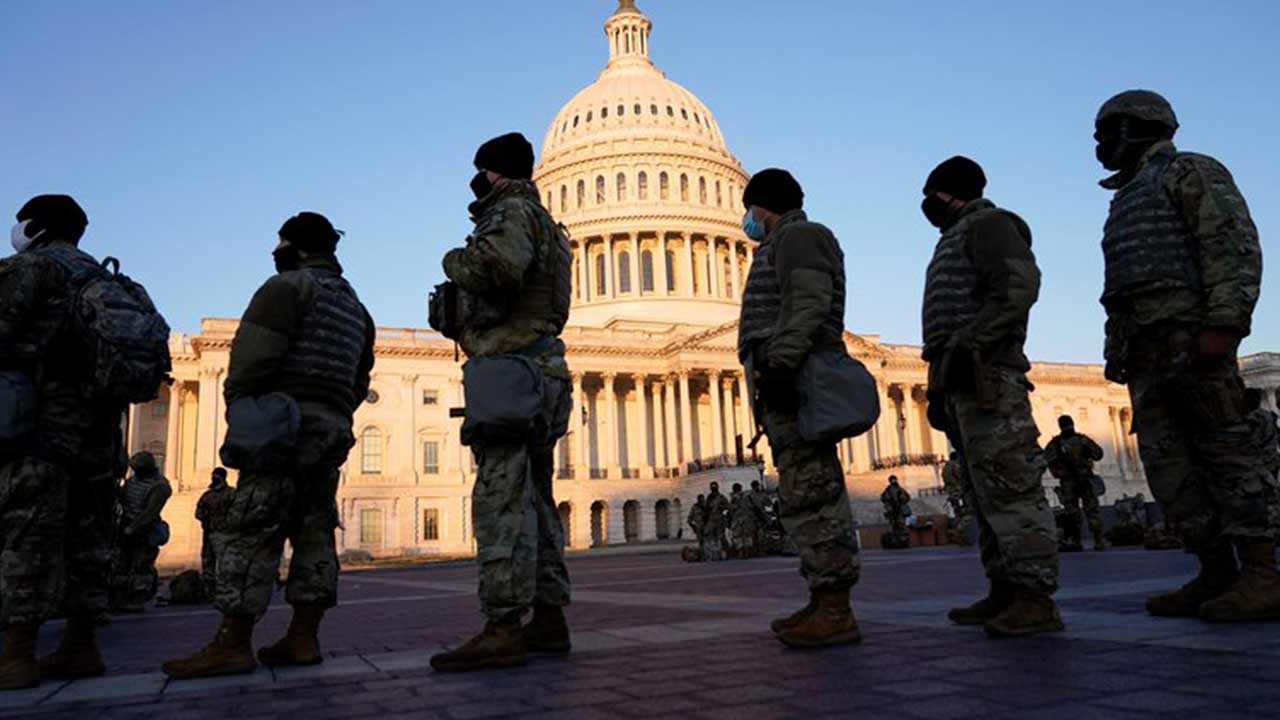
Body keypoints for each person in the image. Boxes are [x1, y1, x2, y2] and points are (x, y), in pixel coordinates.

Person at [163, 211, 376, 678]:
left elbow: (251, 360)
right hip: (331, 428)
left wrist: (245, 411)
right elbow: (359, 380)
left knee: (253, 529)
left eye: (280, 243)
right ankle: (304, 637)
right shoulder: (357, 309)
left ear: (294, 247)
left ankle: (233, 642)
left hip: (283, 424)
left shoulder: (286, 288)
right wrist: (333, 413)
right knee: (315, 532)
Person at [1093, 90, 1277, 622]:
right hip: (1146, 347)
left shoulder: (1188, 171)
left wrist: (1224, 323)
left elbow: (1230, 245)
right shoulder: (1128, 195)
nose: (1100, 144)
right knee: (1170, 466)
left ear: (1137, 128)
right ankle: (1216, 570)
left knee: (1229, 456)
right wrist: (1116, 345)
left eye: (1107, 131)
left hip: (1192, 340)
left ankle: (1264, 572)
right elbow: (1122, 285)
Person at [428, 133, 574, 672]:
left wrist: (453, 261)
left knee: (501, 503)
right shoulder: (549, 226)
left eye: (480, 172)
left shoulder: (511, 213)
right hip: (542, 371)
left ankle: (503, 625)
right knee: (535, 501)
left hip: (511, 371)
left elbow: (498, 268)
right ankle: (550, 618)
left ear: (494, 174)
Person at [1, 195, 144, 689]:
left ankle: (16, 654)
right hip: (100, 433)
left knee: (26, 533)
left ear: (36, 227)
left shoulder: (29, 269)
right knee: (90, 539)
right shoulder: (111, 281)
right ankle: (81, 646)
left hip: (37, 424)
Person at [919, 156, 1062, 637]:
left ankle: (1035, 596)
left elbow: (1020, 287)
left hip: (988, 373)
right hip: (958, 376)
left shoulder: (991, 224)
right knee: (983, 492)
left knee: (1010, 485)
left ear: (950, 192)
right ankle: (1004, 588)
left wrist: (974, 342)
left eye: (931, 194)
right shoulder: (955, 236)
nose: (926, 204)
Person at [736, 168, 861, 647]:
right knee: (803, 494)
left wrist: (783, 365)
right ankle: (821, 599)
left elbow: (809, 304)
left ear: (761, 207)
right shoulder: (783, 242)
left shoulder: (801, 237)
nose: (748, 221)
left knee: (815, 493)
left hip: (798, 379)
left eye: (750, 211)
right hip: (787, 381)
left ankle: (835, 607)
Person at [109, 452, 173, 612]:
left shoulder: (159, 485)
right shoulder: (134, 480)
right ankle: (119, 598)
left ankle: (136, 600)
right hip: (126, 524)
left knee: (141, 567)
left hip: (144, 529)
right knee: (121, 565)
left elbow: (150, 512)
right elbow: (124, 497)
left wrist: (132, 529)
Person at [1044, 415, 1106, 552]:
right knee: (1092, 511)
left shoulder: (1055, 444)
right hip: (1085, 479)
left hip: (1068, 483)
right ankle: (1098, 541)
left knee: (1072, 513)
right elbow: (1099, 454)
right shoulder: (1083, 440)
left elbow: (1047, 460)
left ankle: (1076, 541)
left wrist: (1058, 472)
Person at [195, 468, 234, 601]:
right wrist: (205, 518)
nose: (215, 478)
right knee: (208, 562)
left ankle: (226, 591)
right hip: (209, 533)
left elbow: (237, 512)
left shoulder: (231, 494)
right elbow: (198, 512)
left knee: (226, 563)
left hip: (225, 535)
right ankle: (209, 591)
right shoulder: (207, 495)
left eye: (217, 476)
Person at [702, 482, 731, 562]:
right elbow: (706, 509)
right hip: (711, 519)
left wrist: (722, 509)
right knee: (708, 534)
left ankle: (728, 552)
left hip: (719, 519)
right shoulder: (709, 498)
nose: (713, 489)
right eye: (712, 487)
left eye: (714, 487)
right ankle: (712, 552)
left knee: (721, 536)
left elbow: (728, 507)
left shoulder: (721, 497)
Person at [729, 482, 759, 558]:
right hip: (747, 518)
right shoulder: (747, 496)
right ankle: (748, 551)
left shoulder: (733, 498)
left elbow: (731, 510)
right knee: (747, 535)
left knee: (738, 536)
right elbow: (753, 506)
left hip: (737, 520)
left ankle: (741, 552)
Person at [880, 476, 913, 541]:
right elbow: (883, 498)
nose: (894, 481)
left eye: (895, 480)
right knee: (893, 524)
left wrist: (902, 500)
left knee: (901, 523)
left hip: (900, 509)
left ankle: (903, 537)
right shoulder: (888, 490)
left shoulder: (900, 489)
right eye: (892, 480)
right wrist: (889, 504)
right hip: (892, 510)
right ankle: (895, 538)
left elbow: (907, 497)